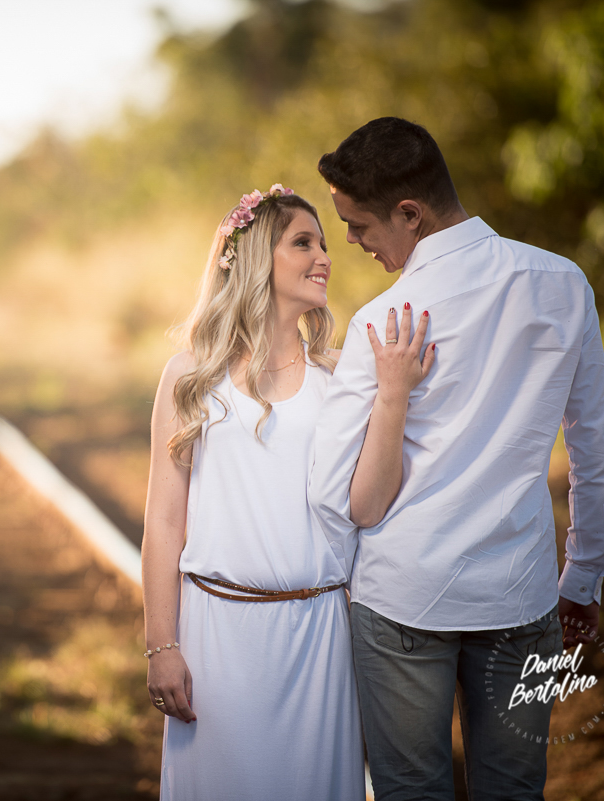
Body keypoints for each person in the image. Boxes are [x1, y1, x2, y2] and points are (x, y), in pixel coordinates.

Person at [309, 117, 604, 801]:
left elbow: (334, 491)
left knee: (409, 792)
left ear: (409, 213)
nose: (354, 244)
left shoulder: (382, 320)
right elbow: (597, 451)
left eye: (360, 226)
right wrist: (585, 577)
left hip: (401, 600)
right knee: (514, 792)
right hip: (522, 594)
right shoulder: (563, 283)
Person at [142, 184, 432, 799]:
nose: (325, 255)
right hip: (218, 635)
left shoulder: (339, 377)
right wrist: (160, 645)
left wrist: (392, 398)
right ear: (253, 259)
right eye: (303, 243)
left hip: (320, 637)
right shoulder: (190, 377)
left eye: (325, 243)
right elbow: (164, 524)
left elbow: (370, 507)